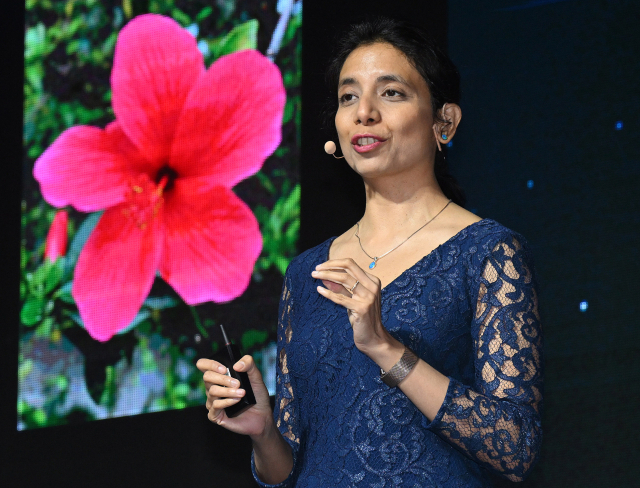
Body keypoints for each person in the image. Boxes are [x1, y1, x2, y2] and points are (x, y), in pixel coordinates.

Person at [197, 17, 543, 487]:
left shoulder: (488, 252)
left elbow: (514, 446)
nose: (364, 112)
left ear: (445, 121)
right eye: (348, 96)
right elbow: (288, 467)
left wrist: (386, 349)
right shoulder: (307, 273)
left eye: (391, 93)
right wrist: (263, 432)